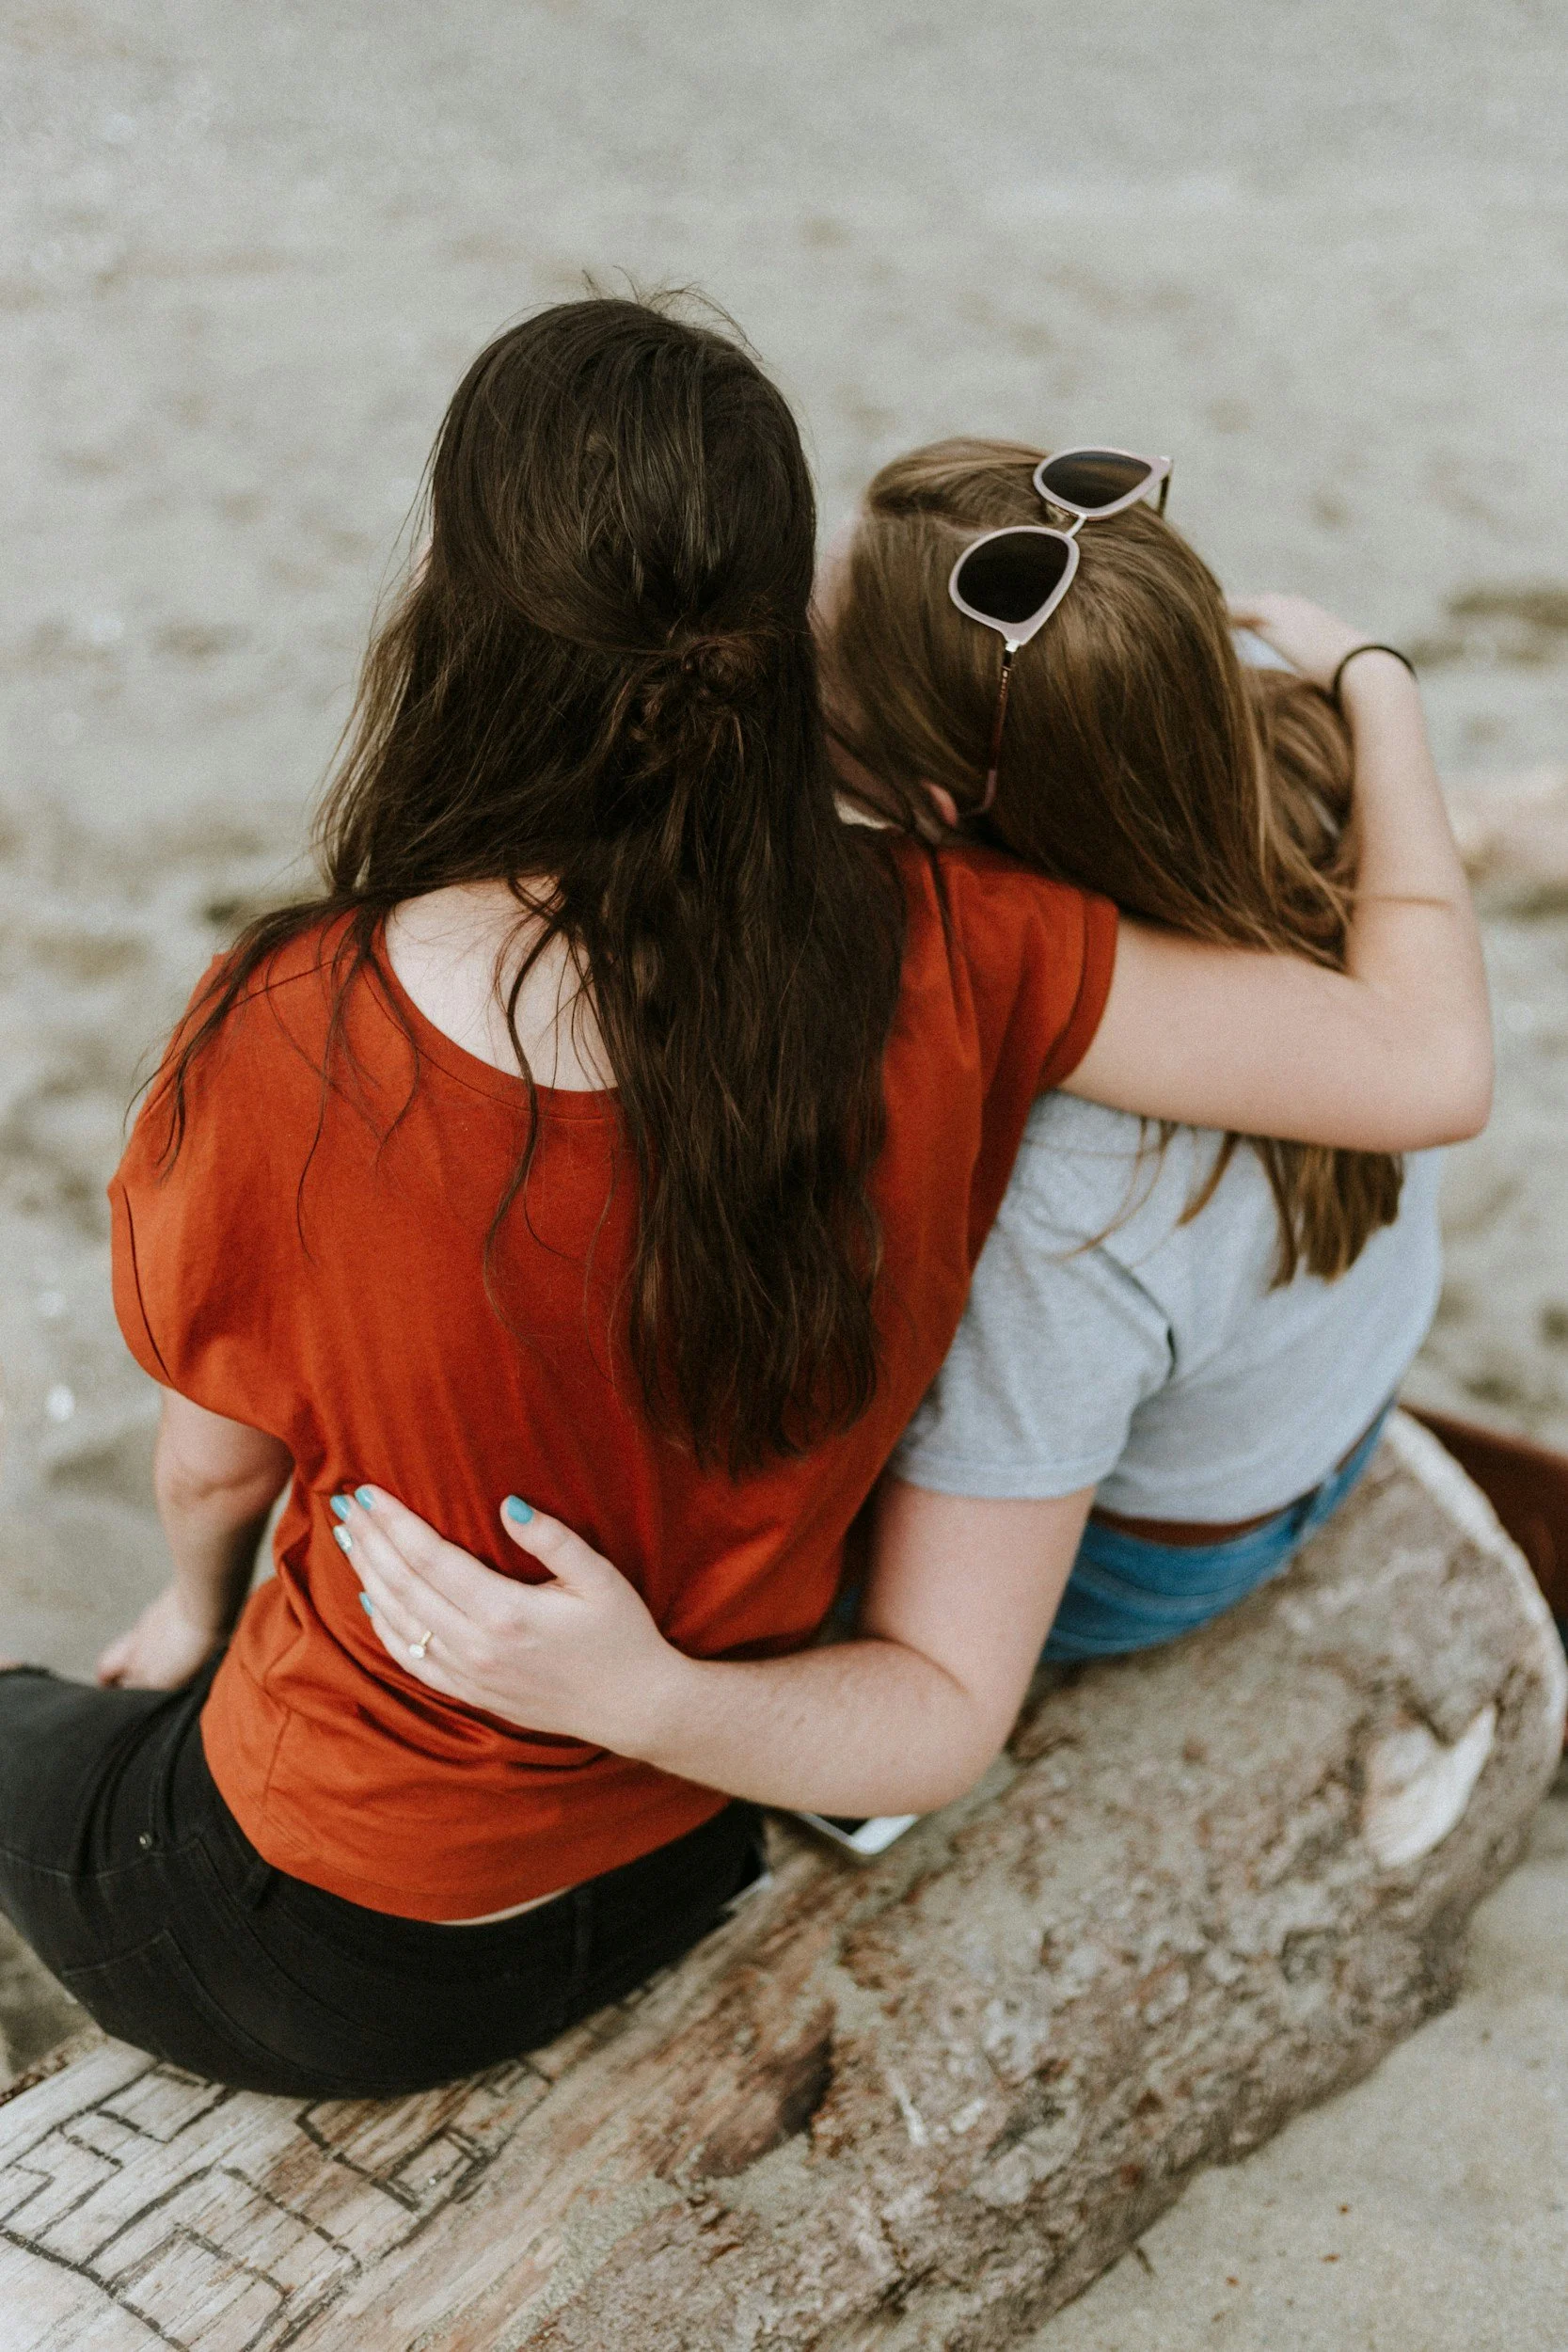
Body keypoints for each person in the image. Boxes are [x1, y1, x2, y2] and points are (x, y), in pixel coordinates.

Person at [0, 326, 1490, 2101]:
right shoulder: (959, 944)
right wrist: (1372, 682)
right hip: (680, 1853)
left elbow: (213, 1467)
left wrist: (185, 1617)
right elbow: (1416, 1058)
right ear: (772, 636)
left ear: (445, 600)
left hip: (328, 1921)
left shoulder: (281, 1027)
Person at [304, 438, 1502, 1882]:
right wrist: (1371, 678)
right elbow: (1436, 1036)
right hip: (1323, 1400)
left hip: (1161, 1552)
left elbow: (946, 1713)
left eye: (806, 650)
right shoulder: (1280, 738)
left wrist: (644, 1696)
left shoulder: (1071, 1189)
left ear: (936, 816)